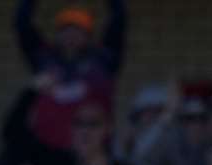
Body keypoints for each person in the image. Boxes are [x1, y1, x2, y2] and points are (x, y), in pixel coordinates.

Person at [13, 0, 127, 152]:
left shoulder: (103, 61)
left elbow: (119, 19)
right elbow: (22, 22)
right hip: (48, 152)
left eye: (79, 30)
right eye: (66, 29)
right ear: (58, 33)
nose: (71, 35)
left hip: (94, 155)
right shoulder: (44, 59)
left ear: (88, 35)